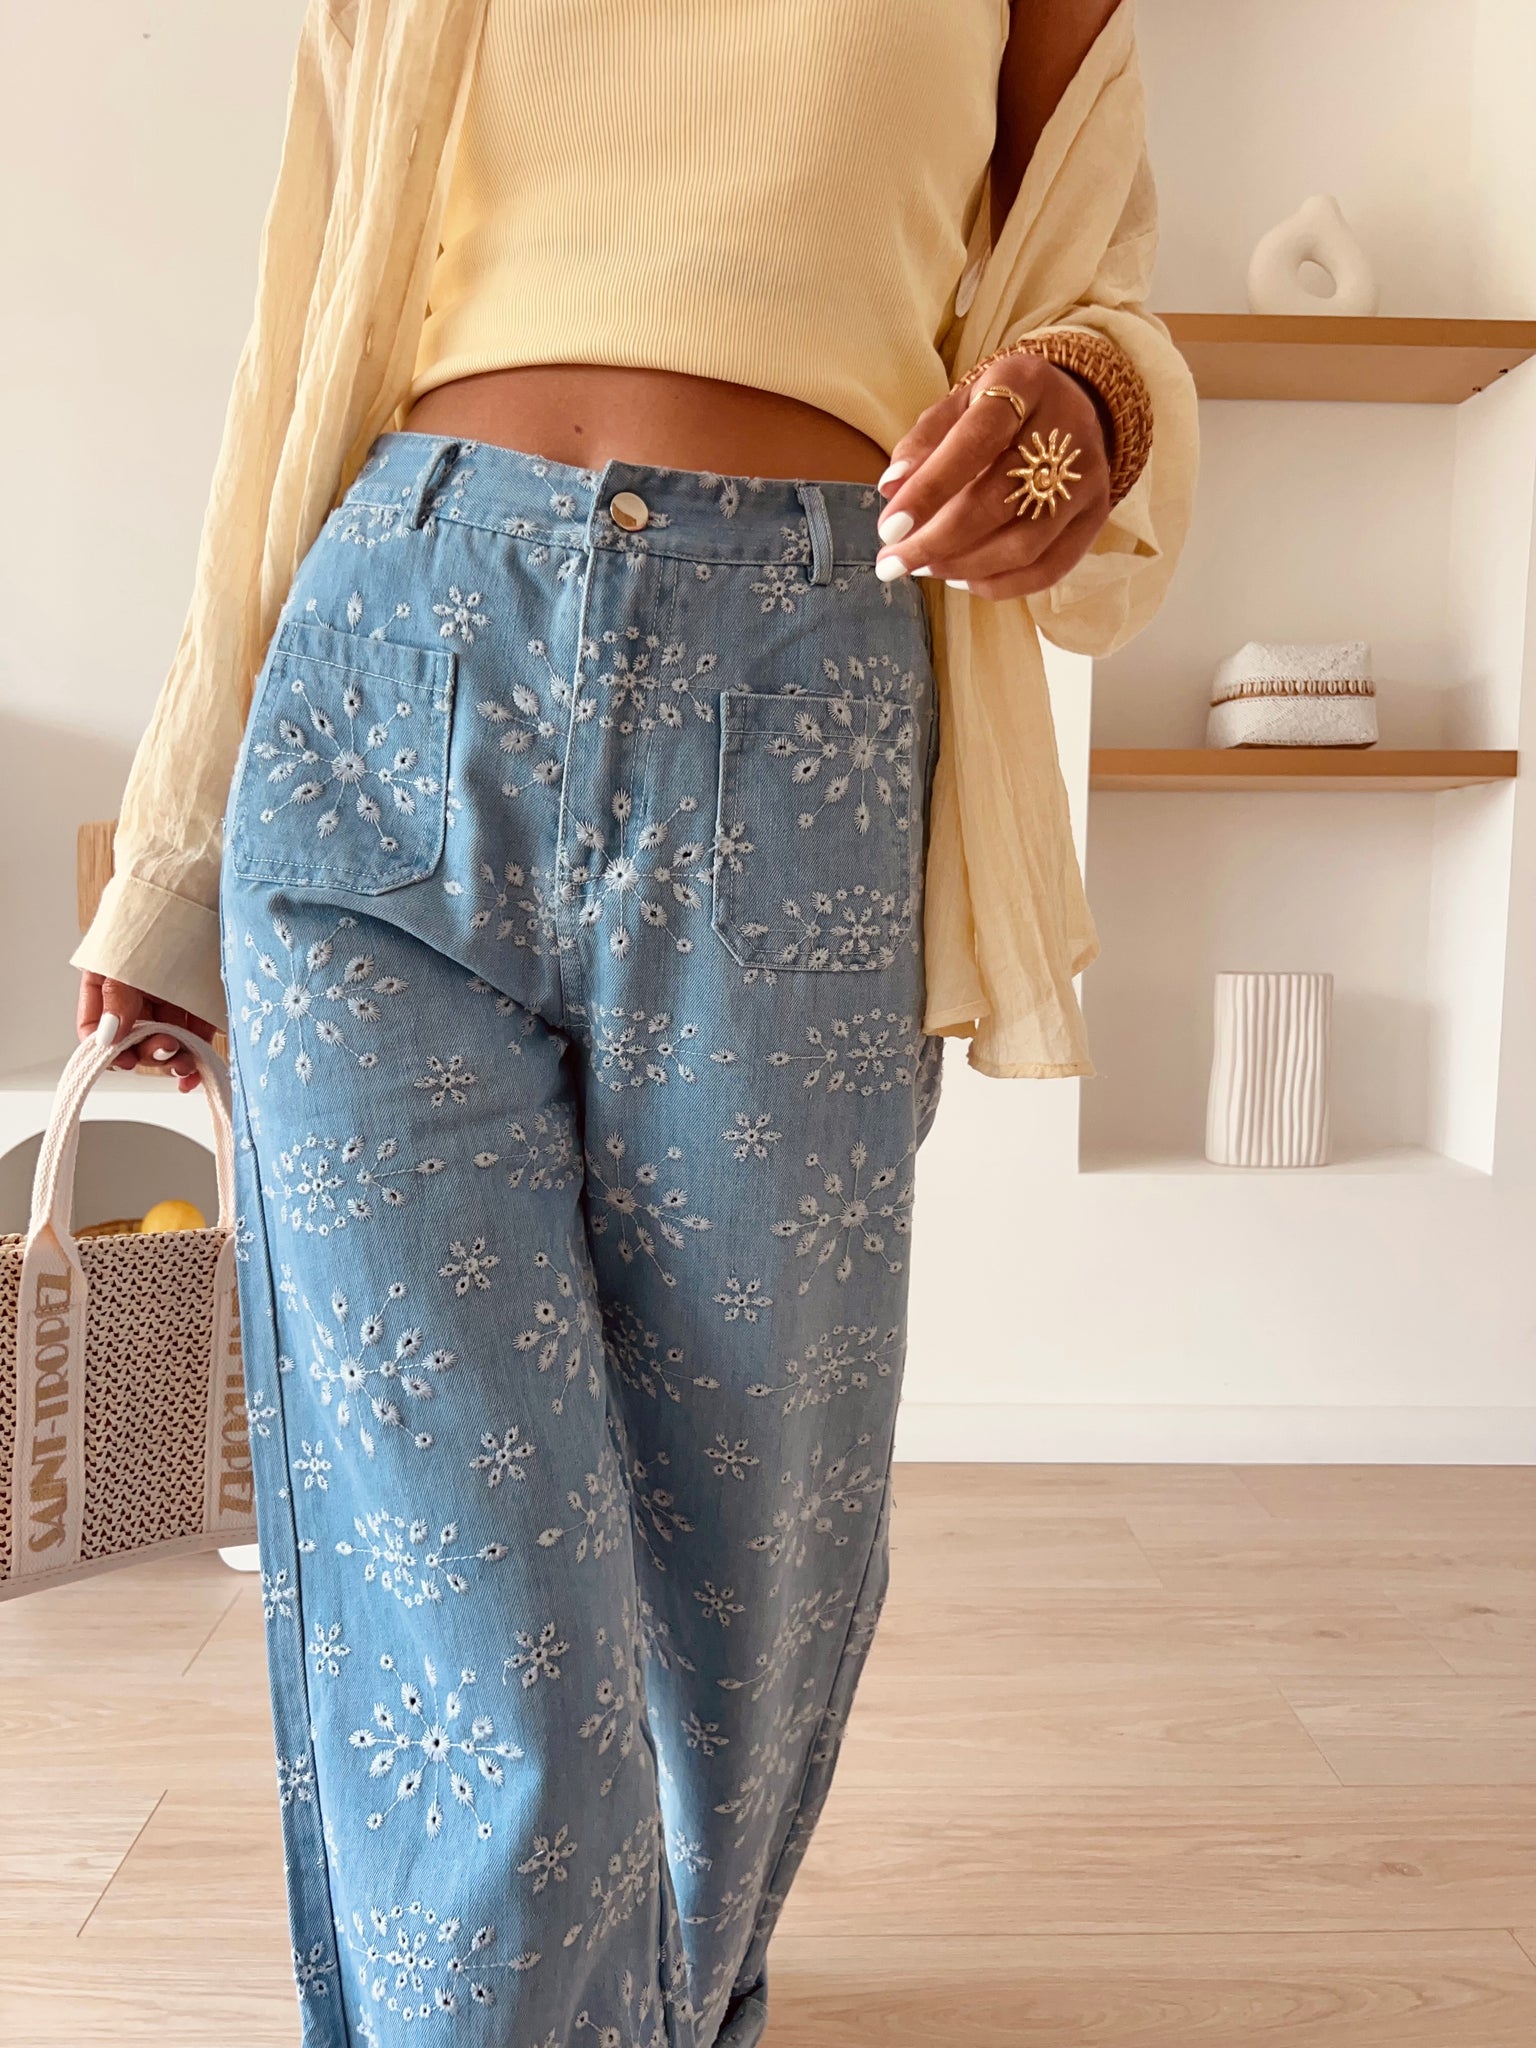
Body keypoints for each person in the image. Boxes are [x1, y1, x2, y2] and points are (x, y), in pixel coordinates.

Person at [70, 2, 1197, 2040]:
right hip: (384, 689)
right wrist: (172, 850)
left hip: (801, 716)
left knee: (747, 1581)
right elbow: (300, 341)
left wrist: (1076, 408)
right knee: (476, 1633)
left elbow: (1101, 305)